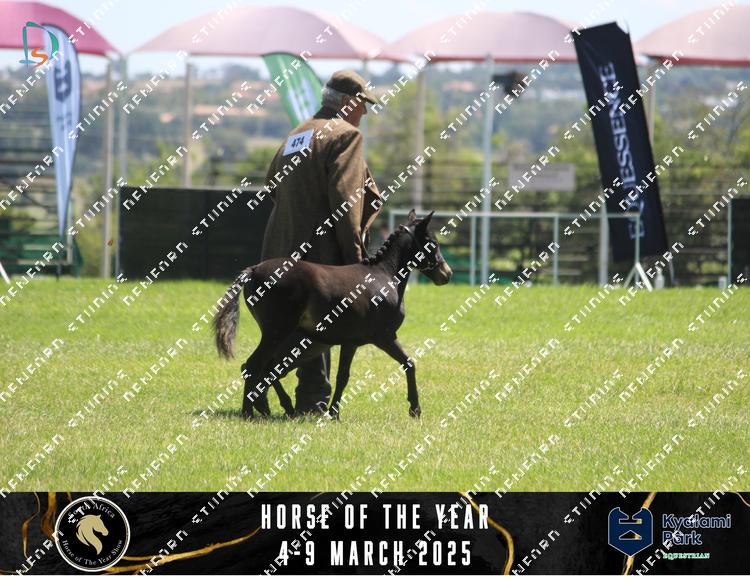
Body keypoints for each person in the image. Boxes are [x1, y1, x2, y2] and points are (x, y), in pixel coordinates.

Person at [259, 70, 383, 414]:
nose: (365, 112)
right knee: (322, 328)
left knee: (292, 328)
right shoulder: (347, 135)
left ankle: (274, 392)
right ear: (346, 102)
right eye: (363, 104)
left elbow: (271, 184)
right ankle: (311, 402)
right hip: (318, 255)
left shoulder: (298, 132)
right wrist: (355, 259)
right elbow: (347, 201)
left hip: (279, 249)